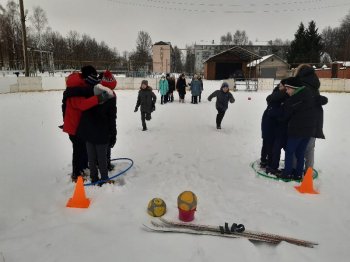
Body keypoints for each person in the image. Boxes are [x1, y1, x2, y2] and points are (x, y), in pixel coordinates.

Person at [62, 65, 111, 182]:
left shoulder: (79, 84)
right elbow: (82, 105)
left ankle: (83, 167)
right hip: (74, 125)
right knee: (78, 149)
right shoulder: (75, 87)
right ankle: (76, 173)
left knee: (83, 147)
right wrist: (100, 98)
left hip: (79, 124)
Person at [76, 70, 116, 185]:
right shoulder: (111, 98)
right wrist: (113, 134)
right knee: (102, 159)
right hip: (101, 133)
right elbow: (111, 118)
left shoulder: (91, 91)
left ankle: (94, 178)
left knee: (92, 158)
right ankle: (104, 178)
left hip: (89, 132)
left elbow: (83, 108)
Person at [278, 77, 316, 180]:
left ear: (294, 88)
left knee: (290, 151)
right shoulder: (308, 93)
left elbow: (285, 114)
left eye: (288, 89)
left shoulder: (294, 99)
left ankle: (287, 173)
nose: (287, 92)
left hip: (297, 130)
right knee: (300, 152)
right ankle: (298, 174)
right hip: (308, 130)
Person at [294, 64, 328, 170]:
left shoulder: (299, 83)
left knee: (296, 146)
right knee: (310, 147)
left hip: (302, 119)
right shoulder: (314, 83)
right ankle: (309, 170)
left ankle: (294, 169)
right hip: (316, 118)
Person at [262, 79, 289, 174]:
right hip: (270, 124)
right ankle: (269, 164)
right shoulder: (279, 94)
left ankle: (269, 163)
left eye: (281, 85)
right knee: (270, 145)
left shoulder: (281, 95)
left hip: (273, 124)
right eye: (280, 85)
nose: (279, 86)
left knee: (272, 145)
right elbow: (272, 107)